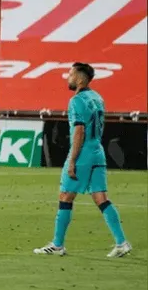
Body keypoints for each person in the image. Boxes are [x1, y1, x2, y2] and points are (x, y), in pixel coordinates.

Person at [34, 62, 131, 258]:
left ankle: (58, 245)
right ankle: (122, 243)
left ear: (79, 78)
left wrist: (72, 160)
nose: (68, 77)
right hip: (98, 152)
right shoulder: (97, 98)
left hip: (83, 155)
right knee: (101, 198)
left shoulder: (76, 101)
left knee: (65, 197)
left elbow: (79, 131)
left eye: (70, 74)